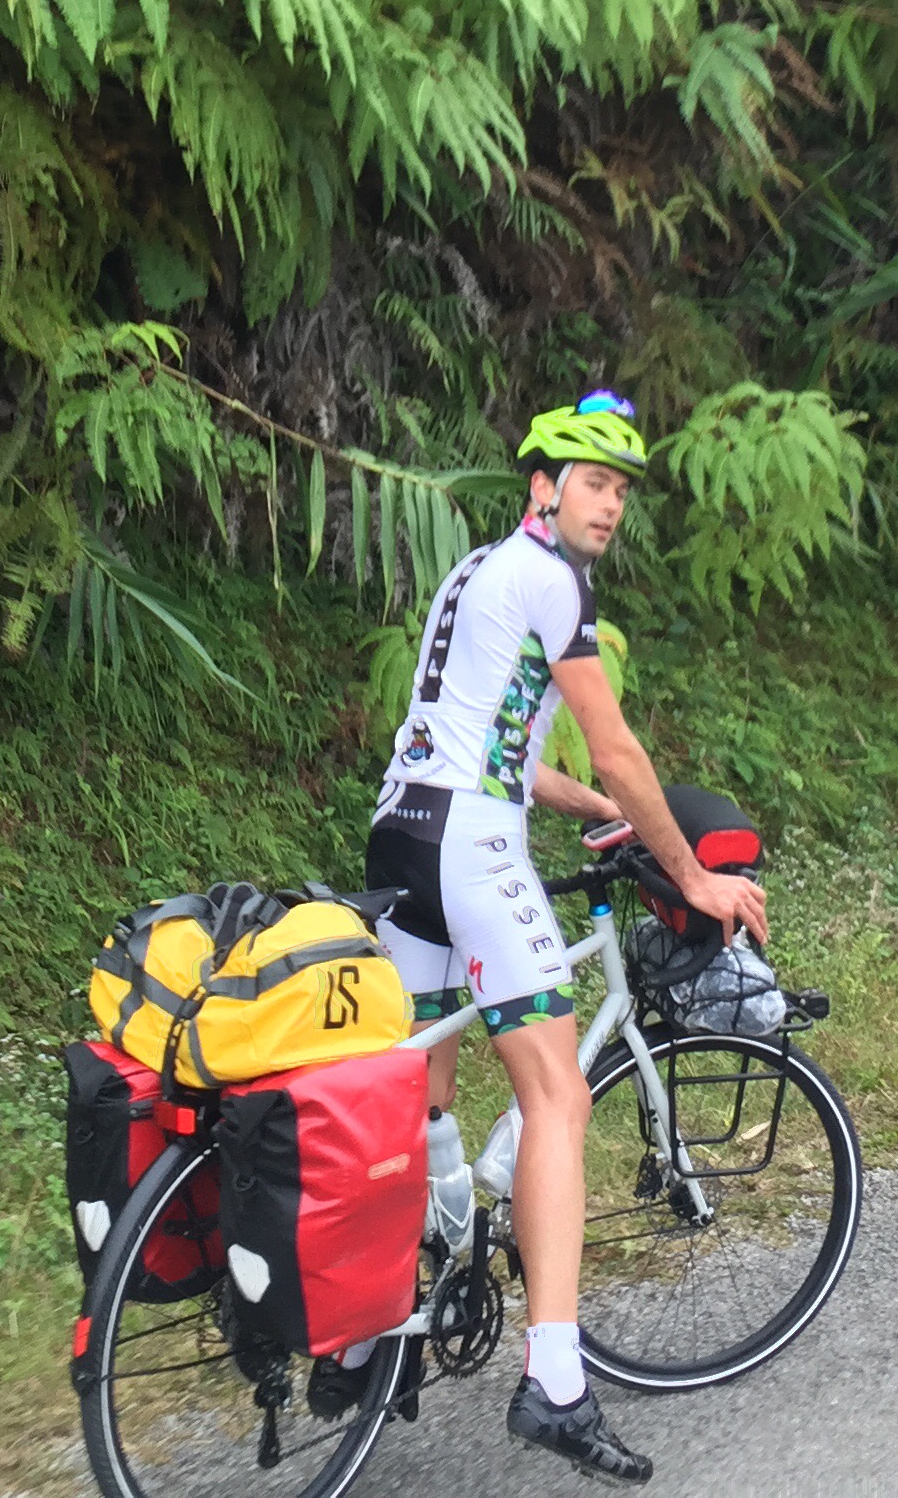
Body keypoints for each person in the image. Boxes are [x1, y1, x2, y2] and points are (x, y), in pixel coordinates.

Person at [362, 391, 769, 1484]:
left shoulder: (474, 574)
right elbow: (618, 743)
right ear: (542, 486)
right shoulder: (554, 579)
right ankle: (553, 1383)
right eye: (593, 481)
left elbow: (486, 740)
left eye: (622, 488)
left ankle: (373, 1330)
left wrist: (591, 805)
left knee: (416, 1092)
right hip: (470, 846)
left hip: (402, 830)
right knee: (559, 1099)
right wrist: (694, 875)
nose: (611, 504)